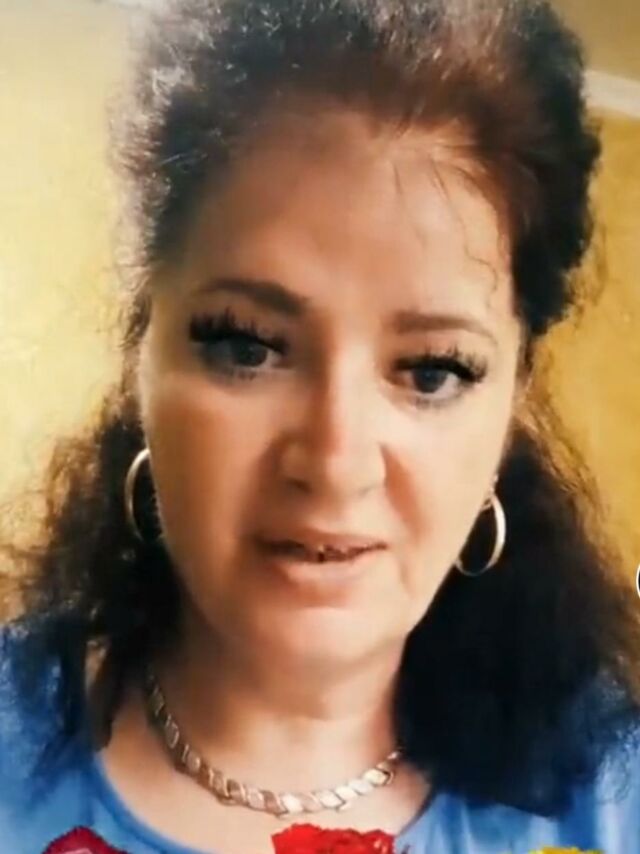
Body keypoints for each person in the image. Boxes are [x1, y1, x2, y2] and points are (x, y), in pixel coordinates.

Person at [1, 0, 639, 851]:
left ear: (511, 407)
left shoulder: (611, 798)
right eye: (248, 346)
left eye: (432, 370)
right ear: (140, 355)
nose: (336, 462)